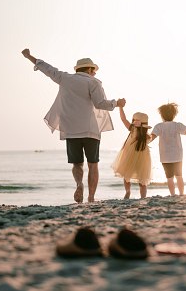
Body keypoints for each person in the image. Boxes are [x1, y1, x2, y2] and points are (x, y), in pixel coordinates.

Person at [21, 49, 125, 204]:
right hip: (90, 130)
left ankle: (79, 184)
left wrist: (29, 56)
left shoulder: (64, 78)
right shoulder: (93, 82)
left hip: (71, 129)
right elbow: (100, 104)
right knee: (93, 164)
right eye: (94, 70)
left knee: (77, 163)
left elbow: (47, 69)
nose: (95, 73)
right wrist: (117, 103)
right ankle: (90, 198)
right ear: (89, 69)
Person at [150, 103, 186, 196]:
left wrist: (143, 141)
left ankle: (172, 195)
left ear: (162, 115)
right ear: (174, 115)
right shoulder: (177, 125)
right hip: (177, 155)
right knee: (179, 176)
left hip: (165, 157)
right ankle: (181, 194)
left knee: (169, 178)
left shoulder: (158, 126)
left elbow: (151, 137)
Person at [111, 104, 152, 199]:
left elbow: (123, 119)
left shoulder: (132, 129)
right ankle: (143, 197)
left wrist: (120, 107)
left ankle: (128, 192)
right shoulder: (147, 135)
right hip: (143, 157)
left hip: (130, 155)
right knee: (143, 179)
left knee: (126, 175)